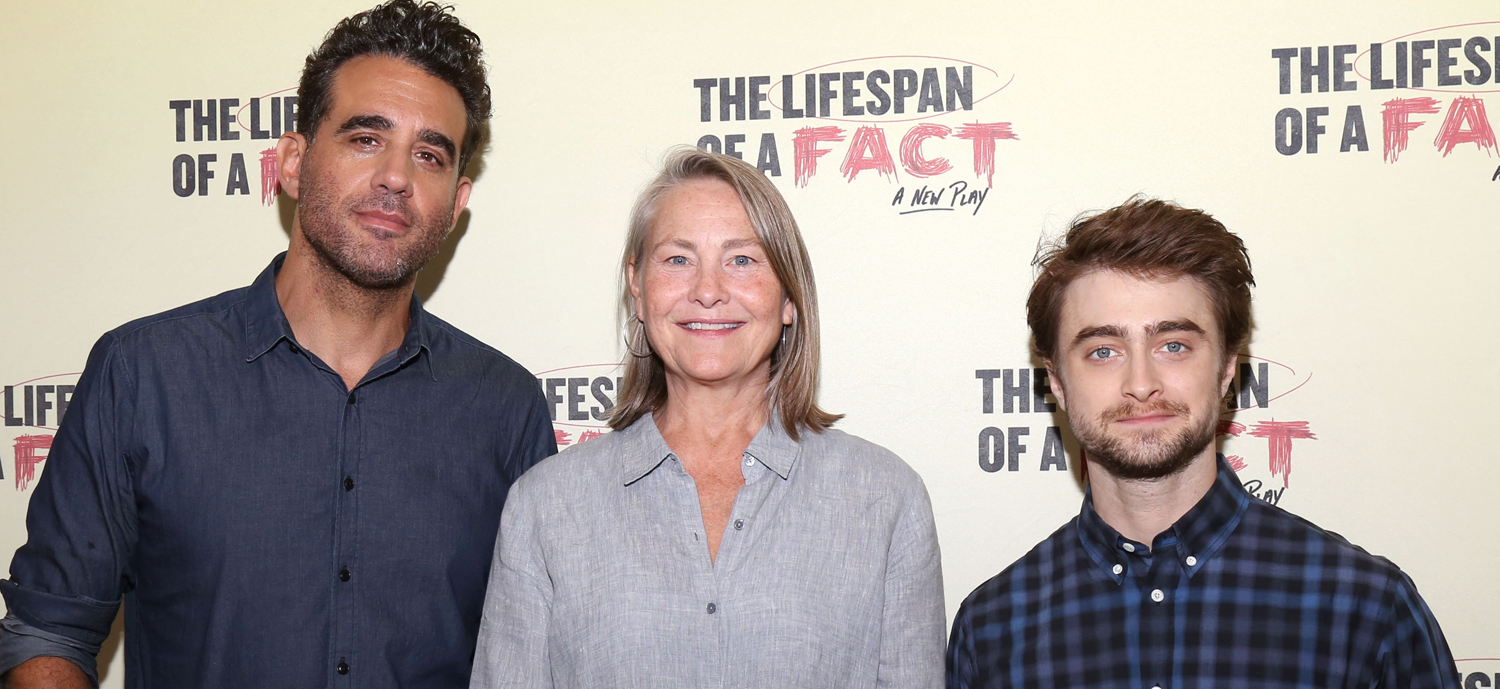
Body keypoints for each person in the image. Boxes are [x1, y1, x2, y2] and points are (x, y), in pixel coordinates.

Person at [0, 2, 555, 687]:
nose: (395, 177)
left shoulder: (507, 408)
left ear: (456, 199)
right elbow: (45, 633)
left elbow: (535, 659)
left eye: (429, 154)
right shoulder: (143, 374)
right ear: (292, 163)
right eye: (364, 138)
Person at [469, 147, 945, 689]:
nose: (708, 290)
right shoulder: (545, 507)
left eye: (742, 259)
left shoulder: (886, 499)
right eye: (678, 259)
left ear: (788, 296)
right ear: (638, 288)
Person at [946, 197, 1458, 688]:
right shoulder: (993, 627)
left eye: (1173, 346)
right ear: (1056, 381)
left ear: (1227, 370)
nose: (1141, 382)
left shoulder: (1365, 607)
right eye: (1103, 351)